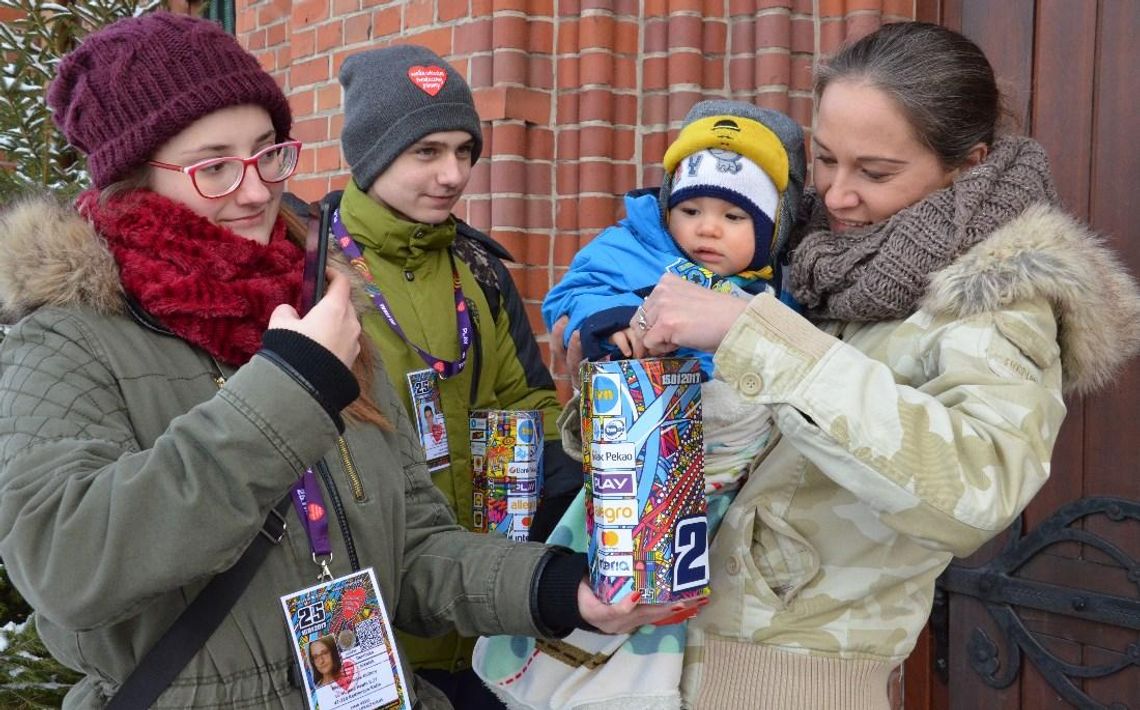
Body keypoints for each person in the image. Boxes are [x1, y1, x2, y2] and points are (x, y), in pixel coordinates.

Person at [0, 13, 691, 709]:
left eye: (269, 153)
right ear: (134, 179)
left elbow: (414, 546)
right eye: (214, 166)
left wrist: (559, 587)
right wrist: (292, 385)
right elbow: (66, 564)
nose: (254, 190)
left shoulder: (316, 302)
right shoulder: (67, 339)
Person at [578, 21, 1140, 709]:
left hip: (794, 688)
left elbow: (977, 486)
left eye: (874, 172)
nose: (837, 196)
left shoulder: (994, 300)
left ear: (967, 163)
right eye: (824, 160)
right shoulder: (798, 256)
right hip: (649, 668)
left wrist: (757, 338)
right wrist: (619, 375)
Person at [331, 44, 583, 703]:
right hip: (366, 636)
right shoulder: (308, 272)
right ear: (371, 154)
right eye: (427, 151)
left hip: (481, 622)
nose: (453, 174)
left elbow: (526, 406)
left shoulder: (479, 273)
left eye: (464, 151)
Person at [542, 99, 805, 500]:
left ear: (774, 232)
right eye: (690, 210)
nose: (708, 228)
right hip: (647, 464)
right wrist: (612, 324)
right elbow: (577, 292)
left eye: (734, 217)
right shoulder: (637, 247)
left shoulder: (785, 286)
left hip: (746, 477)